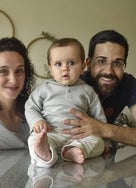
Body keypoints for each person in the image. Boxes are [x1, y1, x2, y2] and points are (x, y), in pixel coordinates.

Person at [62, 30, 136, 150]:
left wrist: (104, 129)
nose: (109, 71)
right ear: (88, 64)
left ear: (124, 66)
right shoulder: (72, 82)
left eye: (117, 63)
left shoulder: (128, 84)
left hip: (104, 155)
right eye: (101, 61)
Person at [25, 38, 110, 168]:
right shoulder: (44, 89)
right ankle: (44, 154)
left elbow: (99, 118)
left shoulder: (87, 91)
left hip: (80, 136)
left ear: (83, 66)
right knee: (34, 139)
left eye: (71, 63)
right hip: (51, 133)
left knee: (98, 142)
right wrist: (37, 121)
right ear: (50, 69)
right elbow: (30, 107)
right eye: (58, 64)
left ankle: (74, 151)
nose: (65, 68)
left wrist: (106, 141)